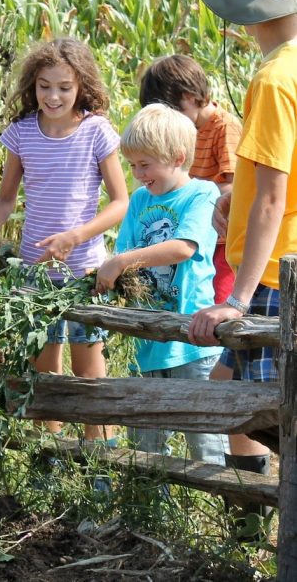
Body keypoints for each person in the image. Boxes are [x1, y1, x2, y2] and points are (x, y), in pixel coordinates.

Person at [0, 37, 128, 441]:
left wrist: (77, 236)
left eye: (64, 87)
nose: (53, 96)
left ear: (81, 86)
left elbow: (120, 202)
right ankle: (52, 462)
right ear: (33, 86)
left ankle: (99, 467)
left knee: (89, 374)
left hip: (84, 275)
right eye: (45, 86)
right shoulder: (22, 133)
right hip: (35, 277)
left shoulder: (96, 131)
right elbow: (6, 198)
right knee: (44, 374)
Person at [187, 0, 297, 486]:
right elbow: (274, 178)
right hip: (282, 260)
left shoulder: (275, 80)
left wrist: (240, 299)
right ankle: (250, 525)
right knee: (228, 392)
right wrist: (238, 192)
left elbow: (275, 195)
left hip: (277, 274)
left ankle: (266, 536)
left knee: (268, 417)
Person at [95, 104, 228, 465]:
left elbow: (183, 247)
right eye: (133, 165)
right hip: (149, 336)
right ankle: (148, 512)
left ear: (177, 158)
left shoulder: (201, 194)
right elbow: (124, 248)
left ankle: (223, 511)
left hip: (192, 338)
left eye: (145, 164)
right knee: (146, 441)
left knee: (205, 438)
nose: (138, 175)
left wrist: (121, 262)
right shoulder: (139, 200)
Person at [139, 54, 242, 305]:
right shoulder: (187, 130)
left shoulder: (224, 127)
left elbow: (231, 186)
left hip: (221, 241)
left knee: (217, 302)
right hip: (189, 233)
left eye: (174, 111)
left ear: (190, 97)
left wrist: (189, 195)